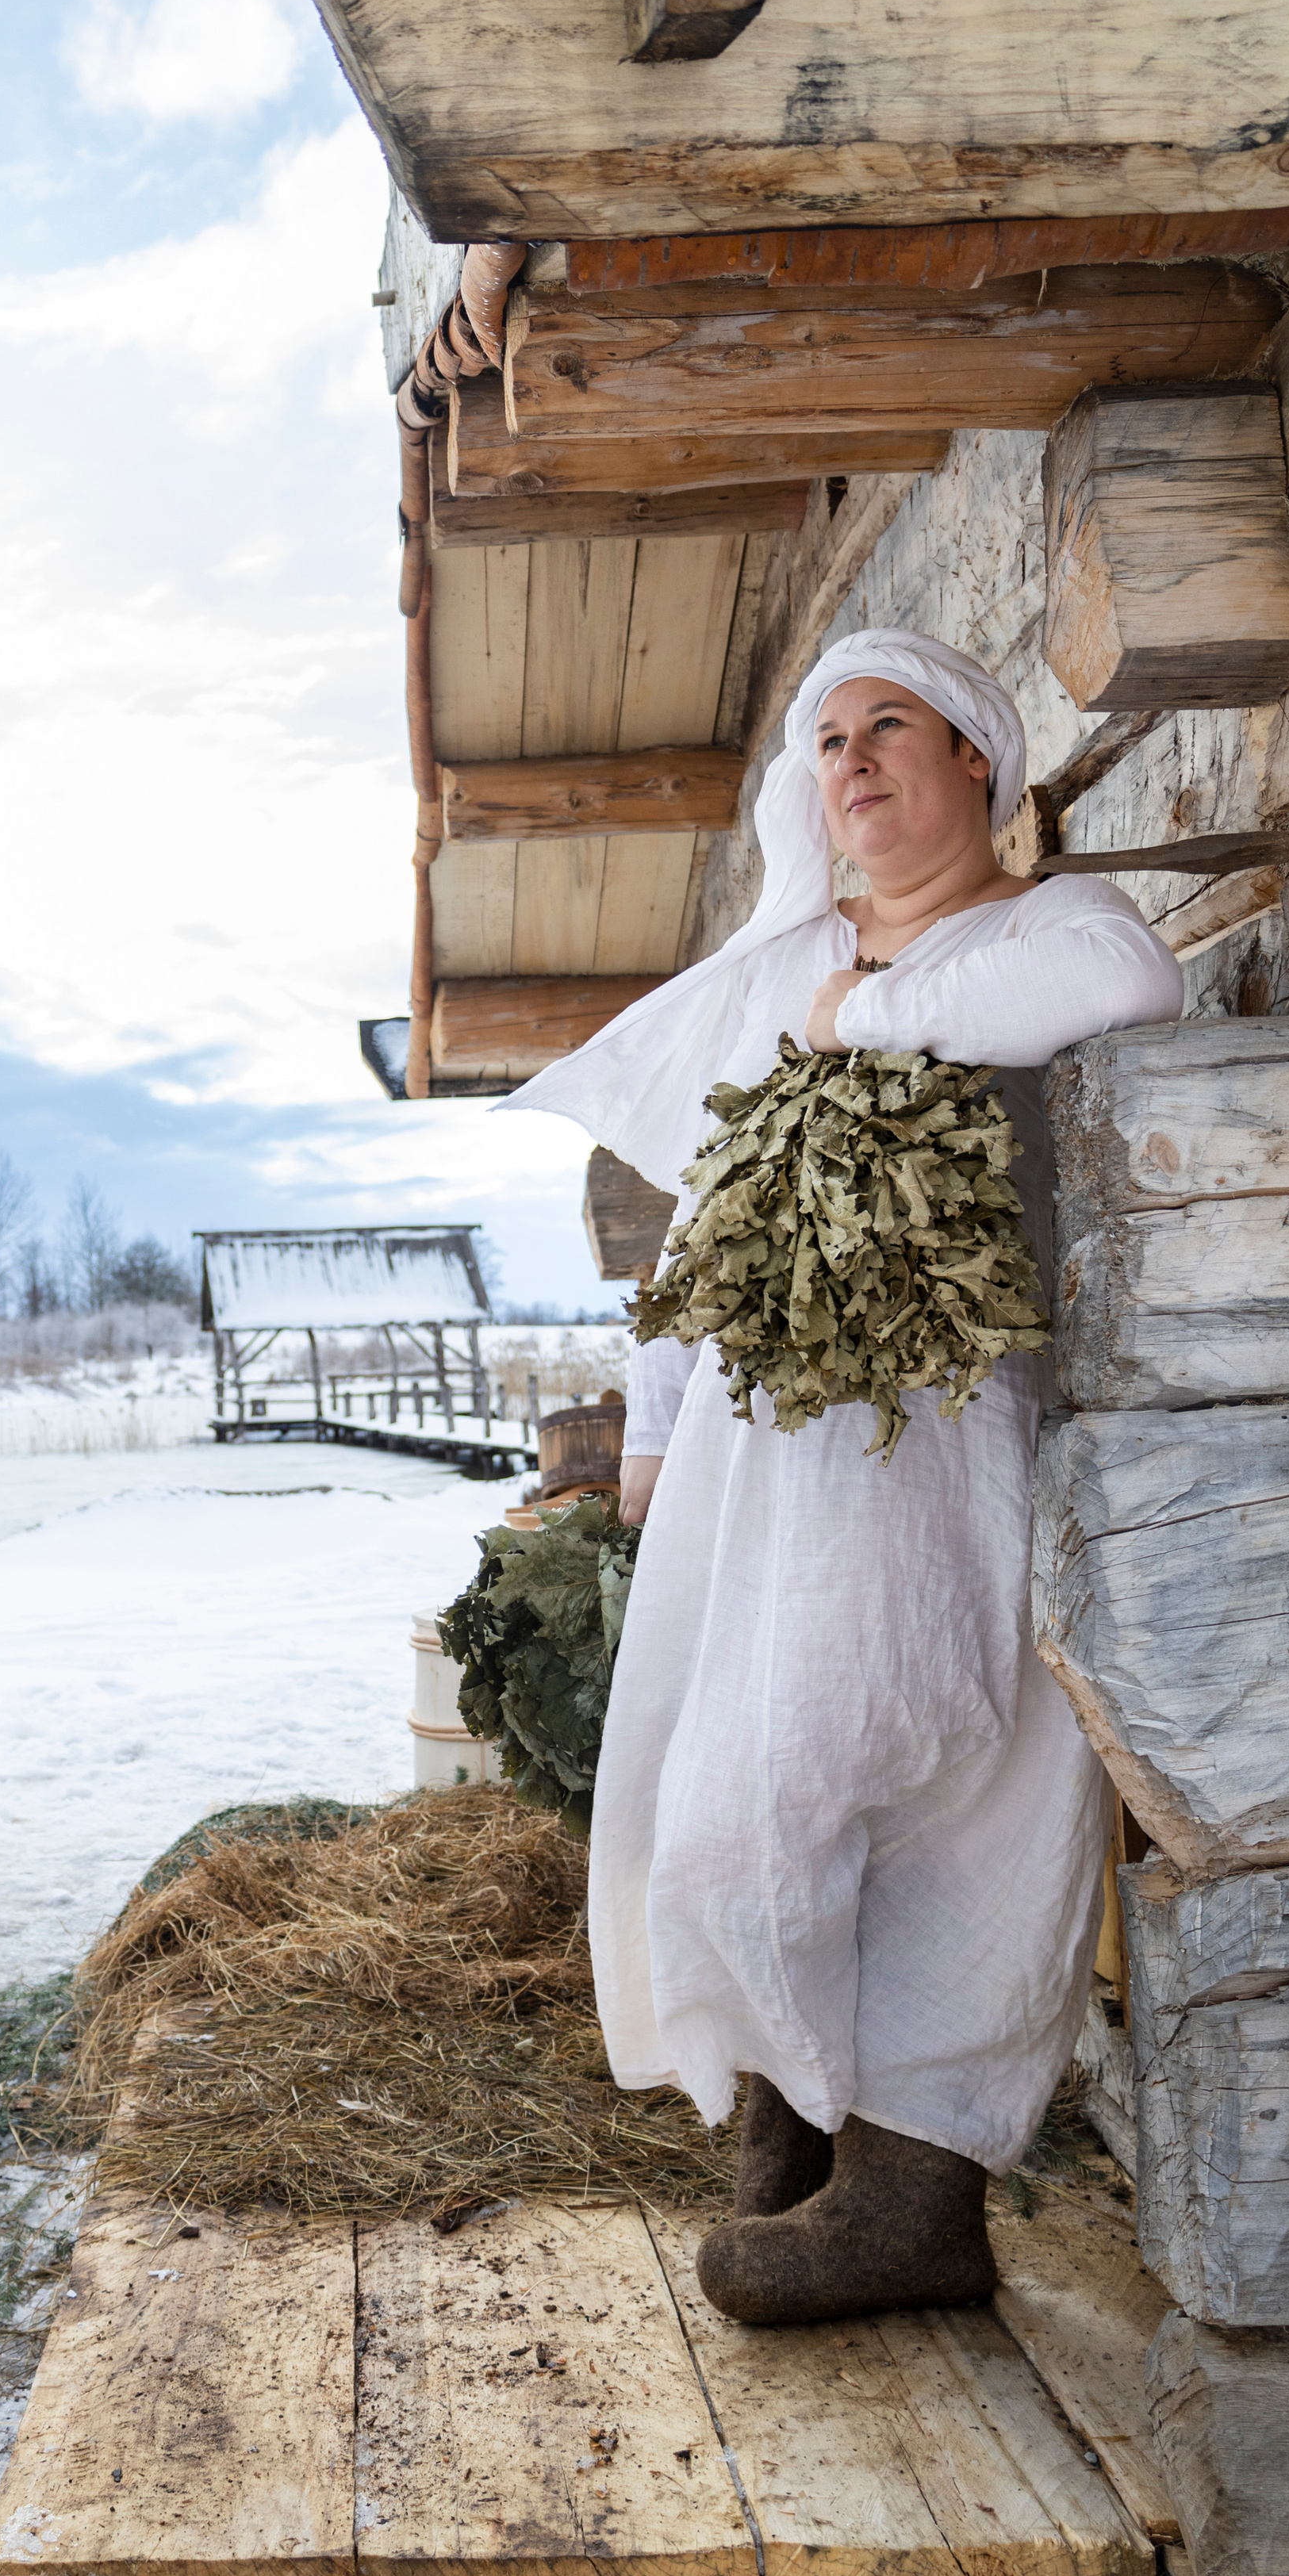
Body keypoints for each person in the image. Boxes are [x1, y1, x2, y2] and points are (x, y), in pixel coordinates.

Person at [505, 630, 1184, 2325]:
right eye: (827, 740)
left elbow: (1121, 988)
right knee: (737, 1800)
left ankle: (912, 2188)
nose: (855, 761)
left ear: (975, 764)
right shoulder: (772, 972)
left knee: (960, 1789)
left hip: (954, 1432)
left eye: (894, 727)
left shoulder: (1039, 928)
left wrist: (859, 1013)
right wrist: (653, 1429)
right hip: (762, 1450)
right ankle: (789, 2141)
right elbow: (702, 1215)